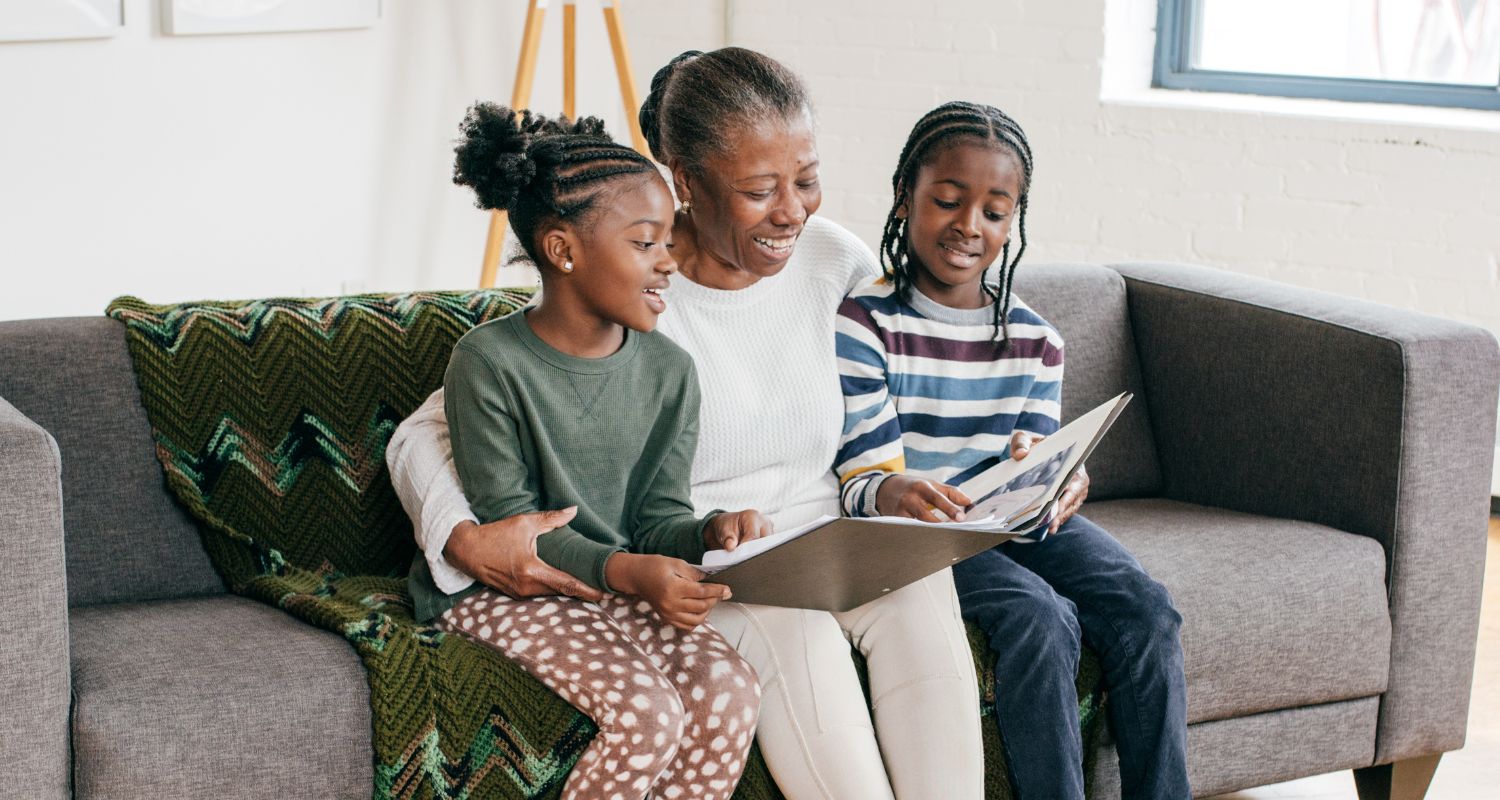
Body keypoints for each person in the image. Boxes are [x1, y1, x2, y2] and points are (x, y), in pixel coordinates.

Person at [387, 49, 984, 800]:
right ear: (686, 182)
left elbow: (905, 394)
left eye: (806, 180)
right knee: (799, 647)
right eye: (761, 190)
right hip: (730, 567)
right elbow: (428, 430)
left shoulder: (834, 259)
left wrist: (1007, 462)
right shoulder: (629, 286)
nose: (795, 211)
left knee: (925, 601)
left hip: (841, 536)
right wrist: (464, 537)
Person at [833, 101, 1190, 800]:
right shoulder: (865, 323)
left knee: (1147, 608)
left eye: (995, 212)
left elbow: (1036, 470)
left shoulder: (1036, 340)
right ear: (905, 197)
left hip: (1011, 524)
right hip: (920, 536)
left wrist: (1057, 474)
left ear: (1013, 221)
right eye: (947, 200)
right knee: (1039, 615)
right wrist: (893, 490)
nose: (969, 226)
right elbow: (859, 477)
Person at [419, 103, 770, 800]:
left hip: (611, 582)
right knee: (647, 715)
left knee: (730, 689)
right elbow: (516, 531)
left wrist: (707, 532)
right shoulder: (488, 363)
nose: (669, 263)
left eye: (669, 241)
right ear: (563, 250)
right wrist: (629, 572)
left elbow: (658, 518)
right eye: (646, 244)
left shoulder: (671, 373)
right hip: (510, 590)